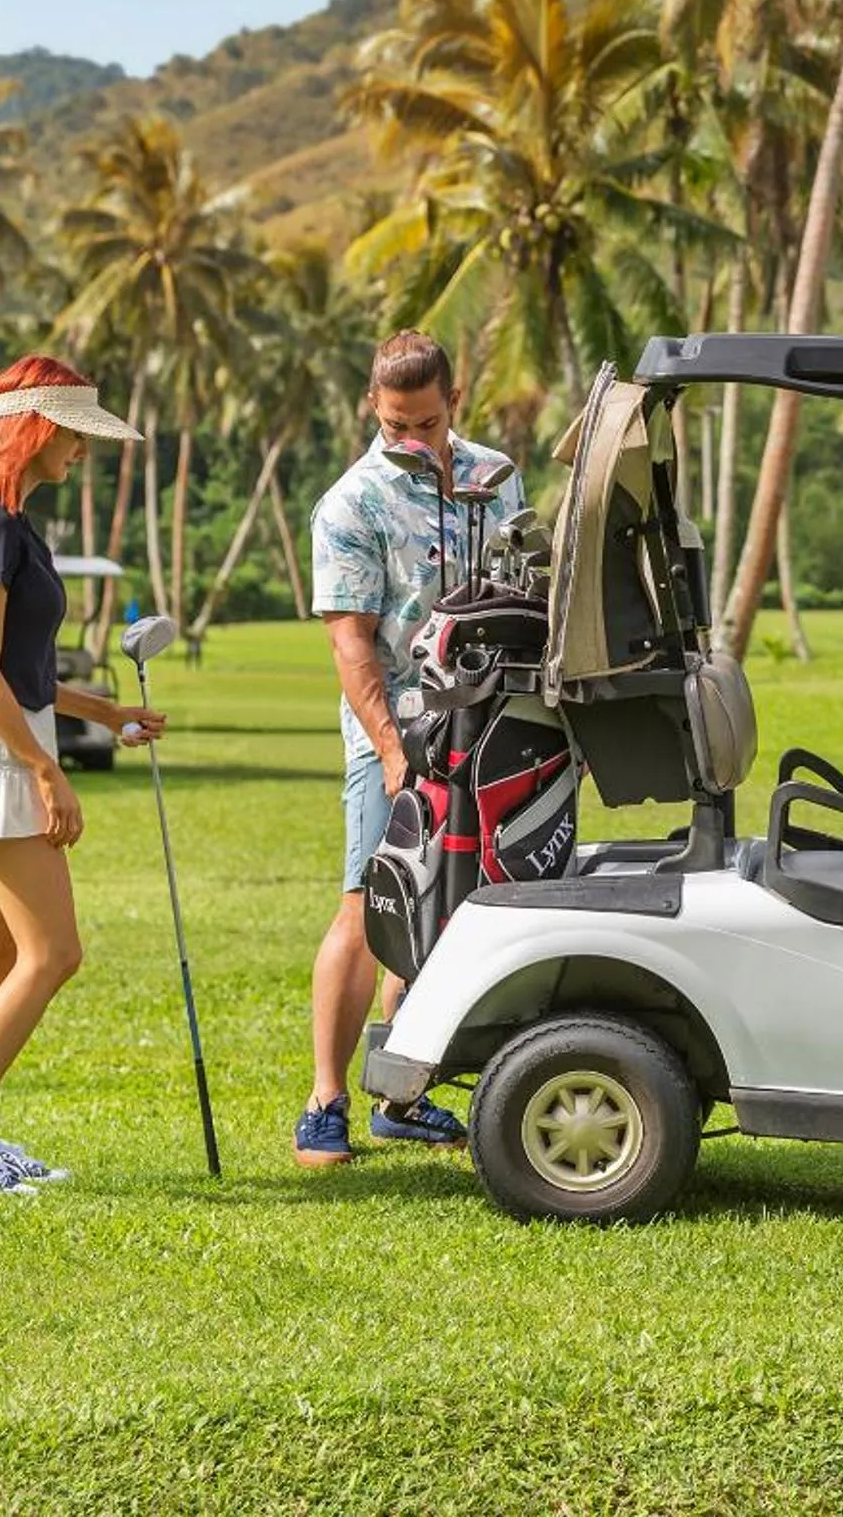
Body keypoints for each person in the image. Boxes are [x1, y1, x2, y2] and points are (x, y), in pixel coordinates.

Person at [0, 355, 165, 1195]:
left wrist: (105, 714)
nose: (83, 453)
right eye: (77, 436)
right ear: (40, 429)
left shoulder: (9, 524)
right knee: (54, 952)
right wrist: (46, 774)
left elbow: (20, 671)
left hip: (3, 745)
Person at [295, 331, 517, 1166]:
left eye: (424, 422)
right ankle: (325, 1100)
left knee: (450, 910)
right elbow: (352, 645)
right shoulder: (350, 503)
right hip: (394, 728)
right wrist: (392, 751)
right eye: (395, 424)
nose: (410, 440)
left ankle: (403, 1092)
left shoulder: (495, 477)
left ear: (453, 402)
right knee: (368, 904)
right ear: (372, 407)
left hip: (491, 722)